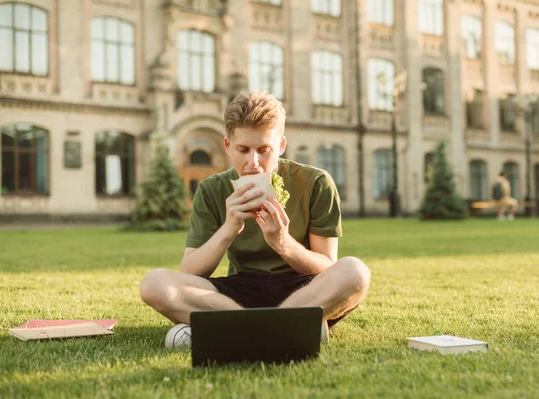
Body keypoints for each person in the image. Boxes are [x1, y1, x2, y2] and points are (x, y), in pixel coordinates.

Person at [140, 91, 371, 347]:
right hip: (238, 292)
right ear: (228, 146)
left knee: (355, 272)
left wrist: (283, 242)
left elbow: (327, 268)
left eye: (264, 150)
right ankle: (285, 327)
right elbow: (192, 271)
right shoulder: (211, 189)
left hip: (302, 289)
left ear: (281, 146)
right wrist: (229, 229)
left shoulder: (316, 182)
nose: (254, 163)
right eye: (243, 149)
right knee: (154, 284)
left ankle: (244, 329)